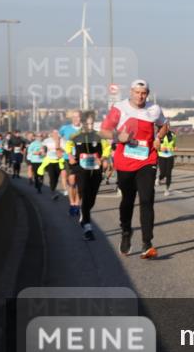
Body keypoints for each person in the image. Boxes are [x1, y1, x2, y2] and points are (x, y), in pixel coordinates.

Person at [100, 79, 169, 259]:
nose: (140, 96)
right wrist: (118, 136)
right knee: (128, 200)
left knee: (147, 199)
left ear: (148, 94)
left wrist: (159, 137)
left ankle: (147, 243)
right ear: (131, 92)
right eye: (137, 92)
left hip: (147, 159)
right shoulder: (119, 108)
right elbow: (104, 130)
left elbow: (164, 125)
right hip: (125, 161)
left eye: (143, 93)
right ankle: (126, 231)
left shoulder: (154, 109)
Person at [66, 112, 104, 241]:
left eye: (92, 124)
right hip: (81, 169)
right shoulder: (75, 136)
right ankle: (88, 228)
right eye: (88, 124)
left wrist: (103, 158)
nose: (90, 126)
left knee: (91, 199)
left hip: (96, 171)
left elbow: (107, 148)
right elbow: (68, 146)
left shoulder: (99, 136)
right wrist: (70, 156)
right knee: (84, 193)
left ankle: (84, 212)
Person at [157, 128, 177, 195]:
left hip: (170, 156)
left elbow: (174, 145)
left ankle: (167, 189)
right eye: (165, 126)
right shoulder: (159, 135)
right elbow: (156, 146)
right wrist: (160, 148)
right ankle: (159, 178)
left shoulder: (173, 135)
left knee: (168, 173)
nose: (167, 128)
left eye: (168, 126)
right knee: (163, 173)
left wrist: (174, 148)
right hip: (161, 156)